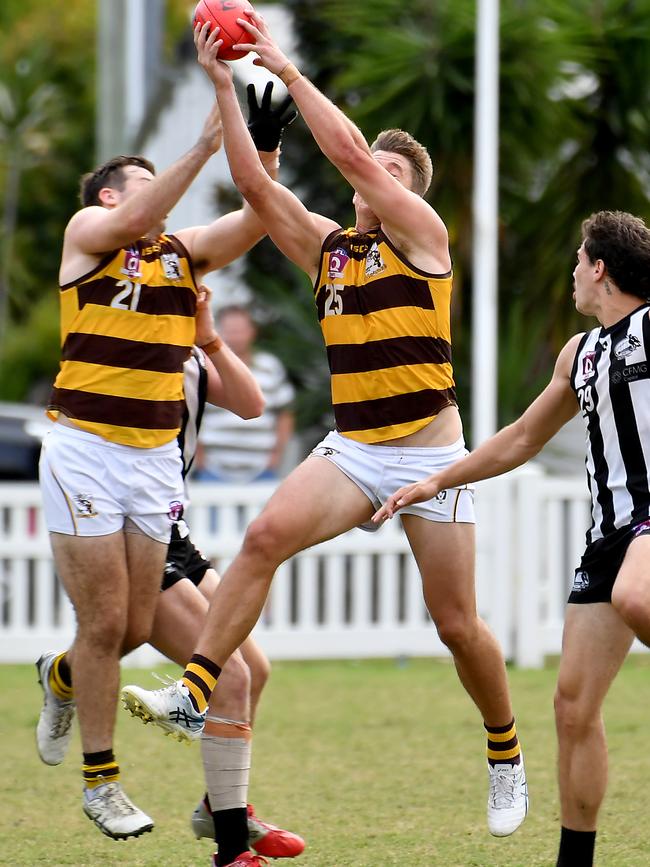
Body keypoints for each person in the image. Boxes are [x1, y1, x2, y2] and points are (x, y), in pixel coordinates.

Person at [120, 14, 529, 848]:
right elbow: (259, 193)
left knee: (456, 625)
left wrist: (284, 65)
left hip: (431, 456)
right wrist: (226, 88)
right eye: (368, 168)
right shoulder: (329, 250)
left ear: (407, 192)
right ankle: (196, 687)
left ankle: (504, 749)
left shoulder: (424, 239)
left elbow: (343, 152)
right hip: (356, 451)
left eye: (388, 172)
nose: (368, 178)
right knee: (264, 535)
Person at [36, 91, 284, 842]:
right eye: (142, 184)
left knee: (137, 625)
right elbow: (133, 221)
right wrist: (204, 146)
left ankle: (62, 677)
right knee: (107, 620)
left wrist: (257, 145)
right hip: (85, 447)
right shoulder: (89, 232)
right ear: (112, 194)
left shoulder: (184, 255)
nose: (157, 198)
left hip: (151, 465)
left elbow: (259, 216)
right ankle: (101, 781)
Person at [373, 209, 650, 867]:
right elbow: (522, 439)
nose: (574, 276)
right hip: (608, 535)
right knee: (572, 706)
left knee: (639, 597)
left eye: (578, 263)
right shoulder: (579, 355)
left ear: (599, 266)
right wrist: (434, 479)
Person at [37, 288, 305, 864]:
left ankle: (219, 806)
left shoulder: (189, 348)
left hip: (171, 528)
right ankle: (233, 851)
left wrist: (207, 333)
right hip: (132, 527)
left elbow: (254, 403)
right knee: (223, 674)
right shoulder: (115, 340)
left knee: (252, 670)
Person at [194, 304, 295, 483]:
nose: (236, 336)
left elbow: (285, 412)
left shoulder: (270, 366)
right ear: (218, 331)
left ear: (252, 331)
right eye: (230, 330)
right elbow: (194, 411)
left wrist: (276, 456)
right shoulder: (206, 366)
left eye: (240, 330)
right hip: (213, 469)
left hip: (262, 469)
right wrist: (200, 459)